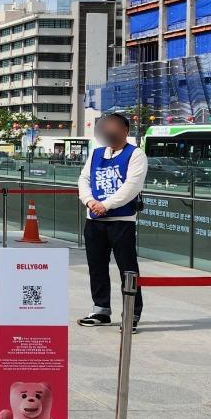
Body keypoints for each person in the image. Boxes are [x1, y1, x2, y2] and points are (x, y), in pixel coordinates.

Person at [77, 113, 148, 331]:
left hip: (122, 221)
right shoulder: (97, 153)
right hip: (95, 220)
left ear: (125, 130)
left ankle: (132, 314)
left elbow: (132, 186)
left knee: (128, 268)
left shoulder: (135, 154)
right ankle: (101, 310)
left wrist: (106, 205)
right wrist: (89, 201)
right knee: (96, 266)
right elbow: (84, 179)